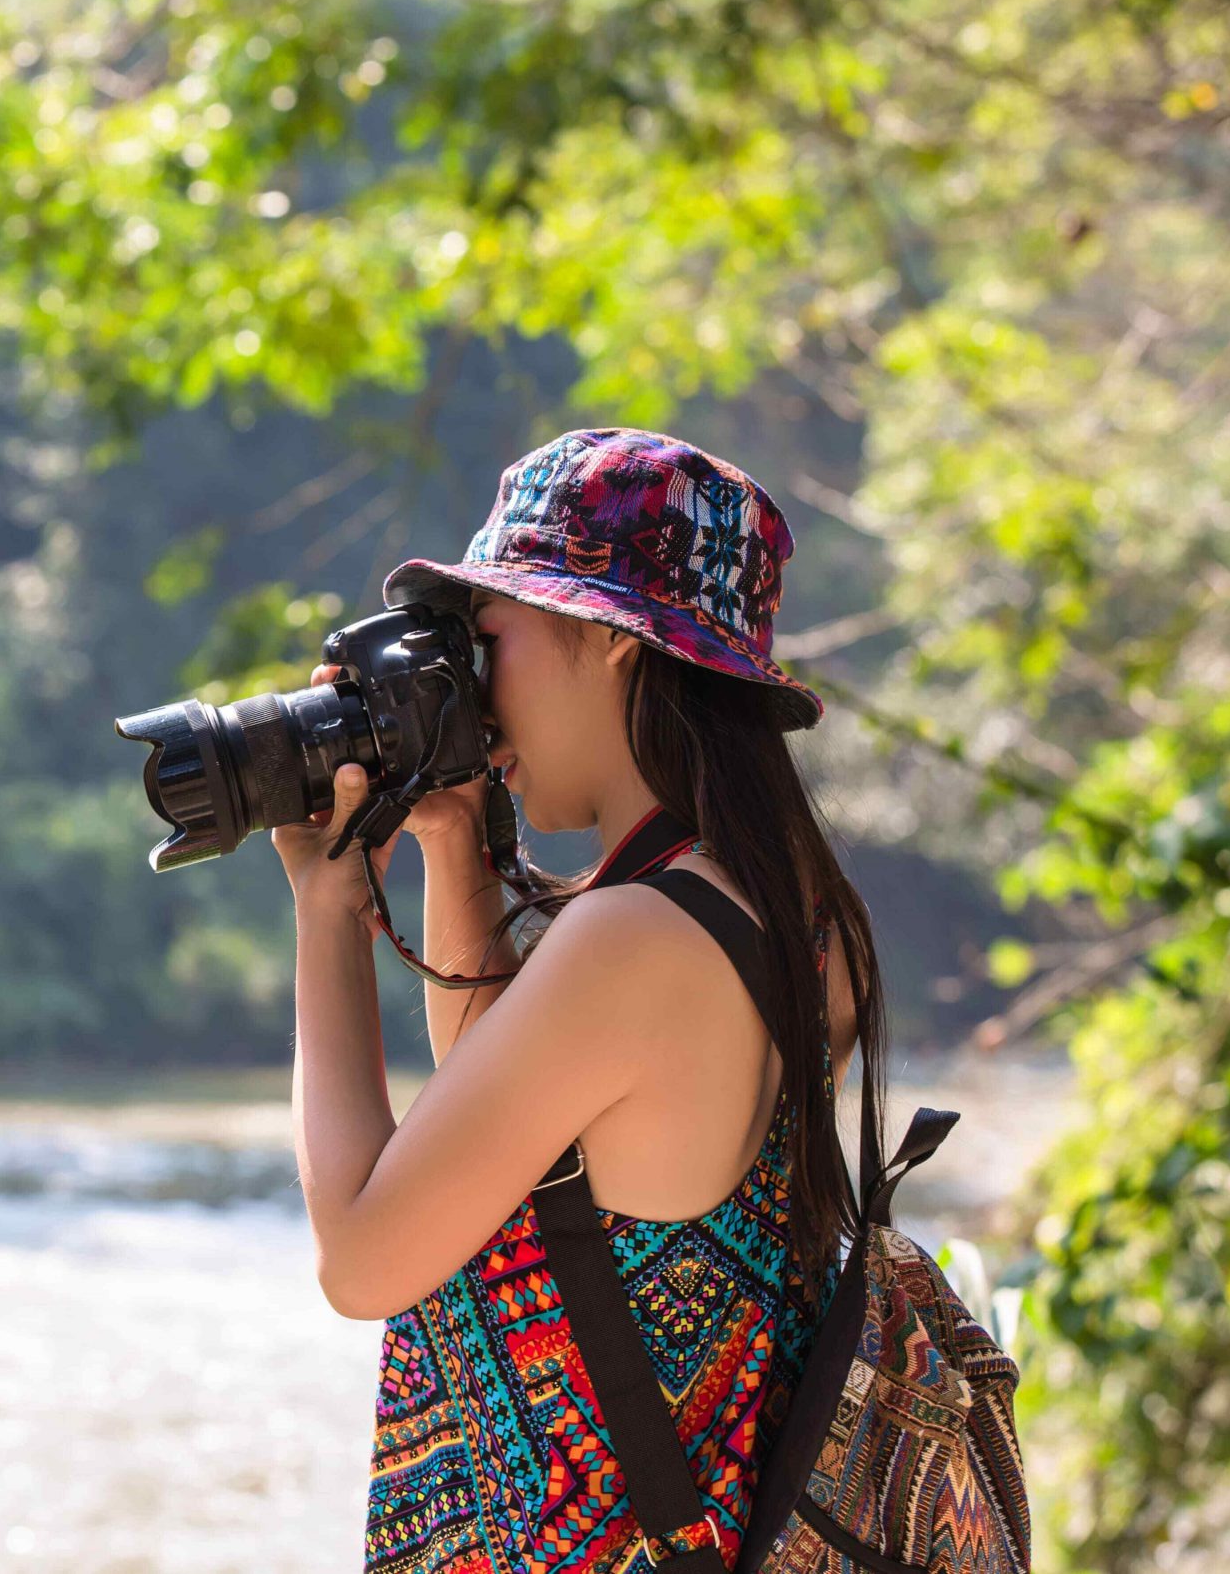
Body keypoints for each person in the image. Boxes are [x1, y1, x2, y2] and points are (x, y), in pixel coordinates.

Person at [269, 429, 876, 1574]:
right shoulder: (780, 912)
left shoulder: (629, 939)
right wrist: (455, 838)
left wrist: (327, 911)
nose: (473, 687)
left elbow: (361, 1258)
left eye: (484, 640)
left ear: (605, 640)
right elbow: (531, 1149)